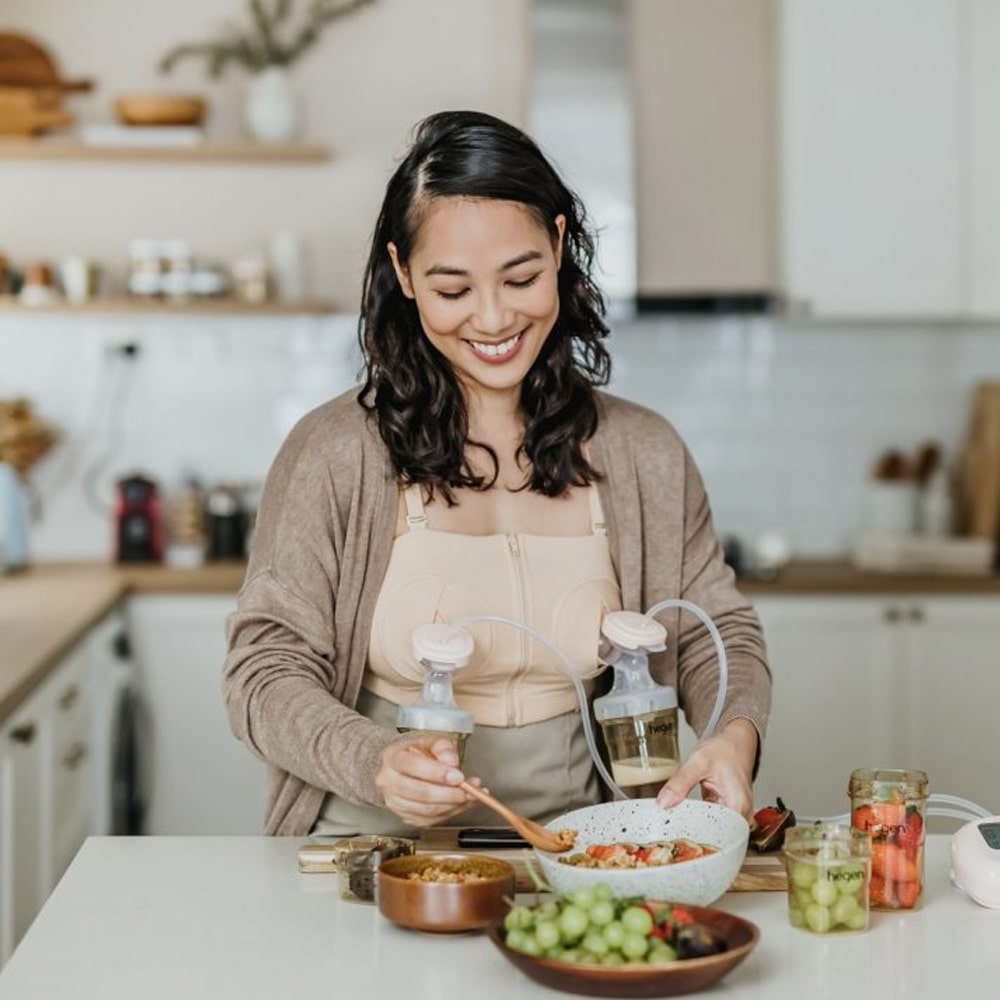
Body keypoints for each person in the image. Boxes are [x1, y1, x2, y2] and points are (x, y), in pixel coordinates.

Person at [223, 110, 771, 838]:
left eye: (520, 278)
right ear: (403, 274)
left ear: (557, 244)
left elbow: (715, 630)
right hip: (368, 850)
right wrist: (375, 761)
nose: (491, 318)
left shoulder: (644, 453)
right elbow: (263, 670)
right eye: (452, 290)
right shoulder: (334, 452)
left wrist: (734, 736)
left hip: (586, 846)